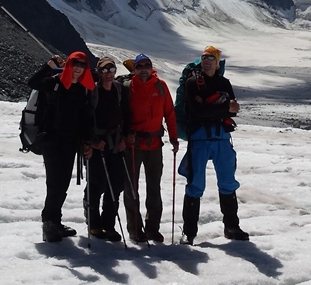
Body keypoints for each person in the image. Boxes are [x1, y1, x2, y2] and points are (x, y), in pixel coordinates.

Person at [178, 45, 249, 244]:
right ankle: (189, 233)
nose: (207, 60)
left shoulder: (224, 82)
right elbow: (199, 112)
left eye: (211, 57)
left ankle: (232, 227)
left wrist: (211, 107)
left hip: (220, 138)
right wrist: (222, 107)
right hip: (201, 138)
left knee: (227, 182)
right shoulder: (192, 83)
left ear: (217, 63)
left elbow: (233, 111)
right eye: (204, 57)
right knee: (195, 185)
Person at [27, 51, 95, 243]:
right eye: (75, 63)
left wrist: (86, 140)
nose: (79, 68)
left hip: (70, 143)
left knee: (62, 183)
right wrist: (49, 66)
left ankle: (54, 222)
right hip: (52, 141)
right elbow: (33, 83)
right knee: (54, 183)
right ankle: (48, 223)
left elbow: (83, 118)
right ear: (69, 65)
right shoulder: (54, 83)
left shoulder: (82, 89)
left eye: (82, 65)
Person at [123, 53, 179, 243]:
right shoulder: (128, 88)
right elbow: (121, 115)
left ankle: (152, 228)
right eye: (140, 66)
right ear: (135, 69)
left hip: (155, 144)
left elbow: (169, 113)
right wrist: (125, 134)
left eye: (147, 65)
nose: (144, 69)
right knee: (132, 188)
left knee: (153, 188)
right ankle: (135, 229)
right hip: (133, 145)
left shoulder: (160, 86)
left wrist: (173, 137)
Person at [84, 56, 130, 241]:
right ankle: (94, 222)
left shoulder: (119, 89)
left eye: (111, 70)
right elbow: (85, 117)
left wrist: (124, 137)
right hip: (97, 143)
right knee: (97, 184)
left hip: (115, 142)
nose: (108, 73)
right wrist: (91, 141)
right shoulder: (92, 91)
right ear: (98, 72)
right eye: (104, 70)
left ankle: (108, 224)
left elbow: (125, 115)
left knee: (116, 184)